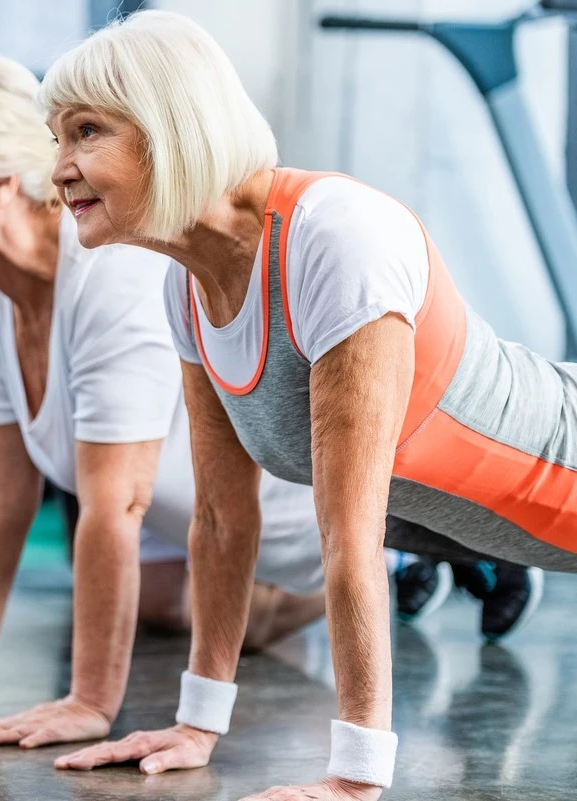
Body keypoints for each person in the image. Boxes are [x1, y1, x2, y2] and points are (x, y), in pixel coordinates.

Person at [37, 10, 575, 800]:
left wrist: (355, 778)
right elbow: (223, 522)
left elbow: (348, 532)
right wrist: (197, 724)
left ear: (169, 126)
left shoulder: (336, 238)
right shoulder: (187, 287)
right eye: (56, 138)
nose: (58, 168)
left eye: (85, 132)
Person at [0, 53, 326, 751]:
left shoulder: (110, 272)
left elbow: (115, 505)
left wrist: (90, 700)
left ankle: (418, 567)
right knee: (166, 605)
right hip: (220, 542)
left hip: (315, 539)